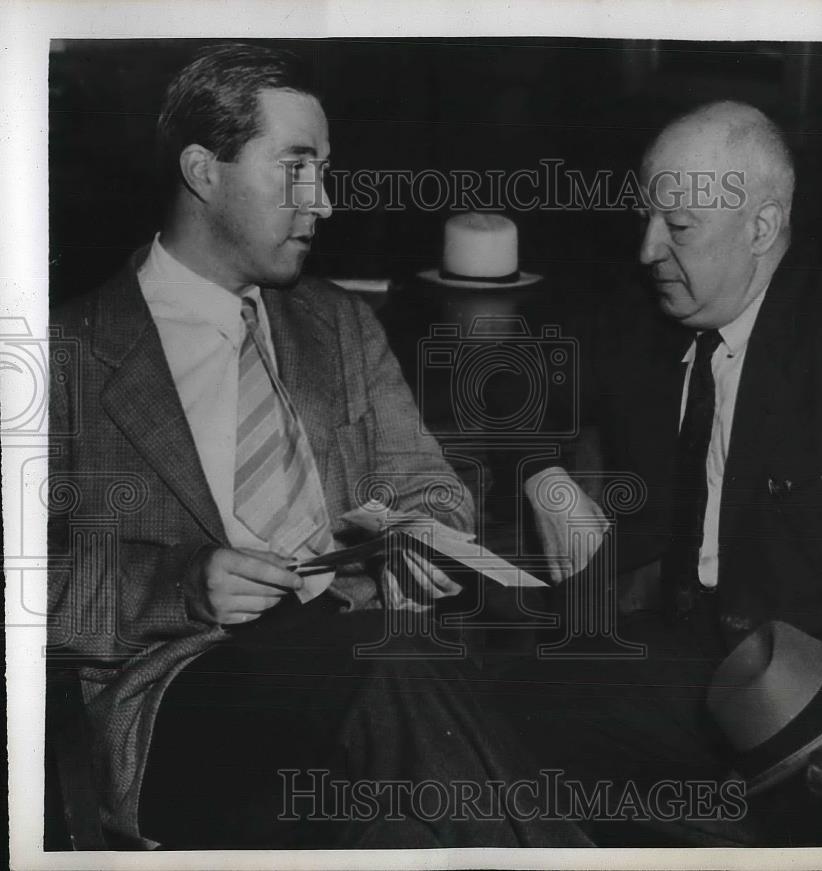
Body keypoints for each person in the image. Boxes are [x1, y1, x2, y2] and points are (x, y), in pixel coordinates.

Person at [47, 43, 587, 849]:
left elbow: (427, 485)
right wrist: (180, 585)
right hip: (183, 696)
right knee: (413, 681)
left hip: (360, 670)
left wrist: (422, 542)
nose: (324, 202)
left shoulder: (335, 323)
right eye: (297, 168)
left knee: (417, 802)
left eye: (325, 171)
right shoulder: (66, 351)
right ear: (203, 170)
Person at [509, 100, 822, 838]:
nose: (648, 249)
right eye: (645, 218)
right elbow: (506, 380)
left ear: (762, 227)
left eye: (678, 227)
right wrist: (544, 477)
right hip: (689, 656)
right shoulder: (645, 306)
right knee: (499, 710)